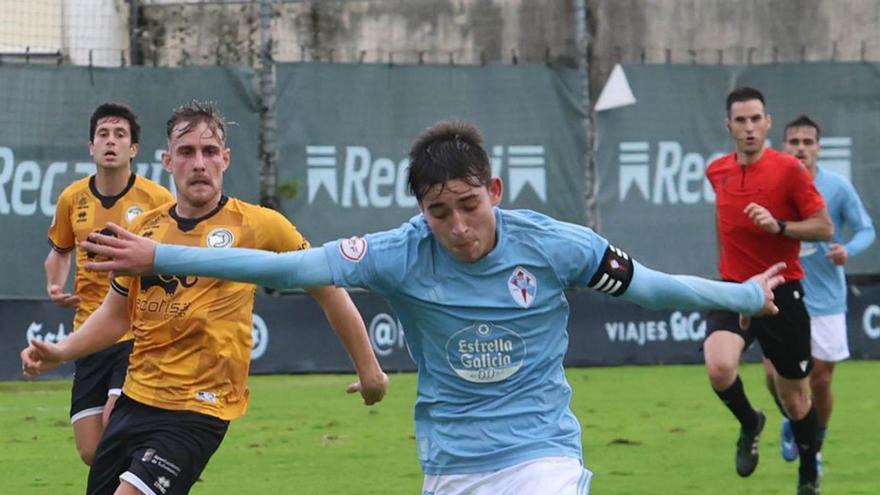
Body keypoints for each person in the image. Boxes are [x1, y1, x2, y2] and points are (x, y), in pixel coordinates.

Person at [78, 120, 787, 495]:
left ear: (496, 190)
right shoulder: (398, 252)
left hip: (541, 455)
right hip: (450, 463)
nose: (458, 227)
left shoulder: (556, 246)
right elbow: (288, 266)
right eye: (439, 211)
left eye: (469, 205)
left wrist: (746, 295)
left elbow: (654, 286)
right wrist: (161, 255)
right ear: (422, 209)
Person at [22, 100, 388, 495]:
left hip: (199, 407)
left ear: (225, 160)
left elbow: (328, 288)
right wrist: (62, 351)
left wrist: (370, 371)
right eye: (187, 152)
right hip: (136, 398)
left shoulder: (261, 225)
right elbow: (115, 316)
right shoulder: (144, 229)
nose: (199, 162)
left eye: (210, 151)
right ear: (167, 161)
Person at [703, 88, 833, 495]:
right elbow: (722, 223)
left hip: (781, 291)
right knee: (719, 368)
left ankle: (809, 467)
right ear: (729, 126)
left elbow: (824, 227)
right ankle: (749, 422)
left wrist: (779, 226)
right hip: (734, 289)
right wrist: (724, 272)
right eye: (740, 121)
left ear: (767, 123)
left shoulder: (789, 170)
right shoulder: (718, 171)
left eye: (755, 119)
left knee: (795, 397)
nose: (748, 128)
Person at [44, 102, 174, 466]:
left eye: (120, 135)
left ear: (133, 149)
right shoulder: (73, 198)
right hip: (87, 334)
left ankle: (159, 469)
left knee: (116, 426)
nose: (111, 141)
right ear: (91, 147)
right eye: (103, 134)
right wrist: (55, 285)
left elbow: (173, 260)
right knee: (91, 451)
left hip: (136, 334)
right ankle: (159, 464)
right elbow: (58, 252)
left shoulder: (157, 200)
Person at [769, 115, 875, 471]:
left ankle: (814, 441)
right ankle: (795, 418)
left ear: (818, 147)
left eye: (807, 142)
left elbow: (865, 230)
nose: (800, 148)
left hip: (826, 298)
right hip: (783, 292)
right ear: (784, 146)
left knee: (822, 379)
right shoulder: (772, 184)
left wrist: (848, 250)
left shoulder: (837, 187)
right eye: (794, 141)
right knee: (773, 375)